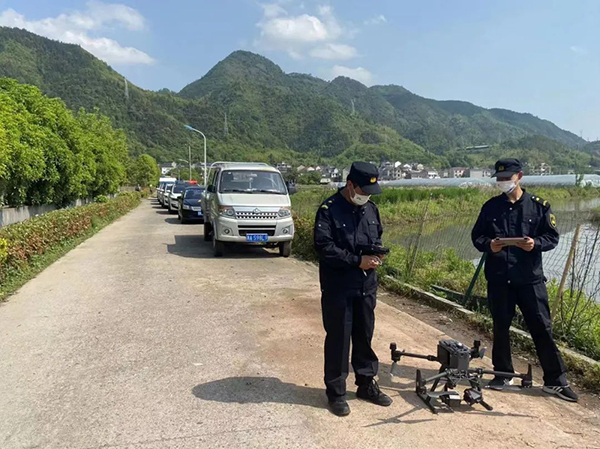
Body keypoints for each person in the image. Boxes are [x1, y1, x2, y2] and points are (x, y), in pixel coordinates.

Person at [471, 158, 578, 402]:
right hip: (500, 279)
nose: (502, 182)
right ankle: (503, 373)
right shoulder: (490, 207)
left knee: (542, 328)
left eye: (507, 178)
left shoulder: (539, 206)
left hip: (530, 280)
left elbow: (552, 237)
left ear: (519, 176)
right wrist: (489, 245)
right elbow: (477, 236)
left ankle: (555, 381)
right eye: (499, 178)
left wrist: (535, 244)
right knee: (500, 327)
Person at [313, 161, 393, 416]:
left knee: (364, 336)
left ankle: (366, 384)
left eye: (370, 192)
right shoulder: (329, 210)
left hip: (366, 286)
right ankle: (336, 393)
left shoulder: (371, 210)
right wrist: (357, 260)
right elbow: (324, 248)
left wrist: (376, 255)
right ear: (350, 185)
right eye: (363, 191)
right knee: (338, 339)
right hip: (339, 287)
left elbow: (376, 237)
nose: (366, 196)